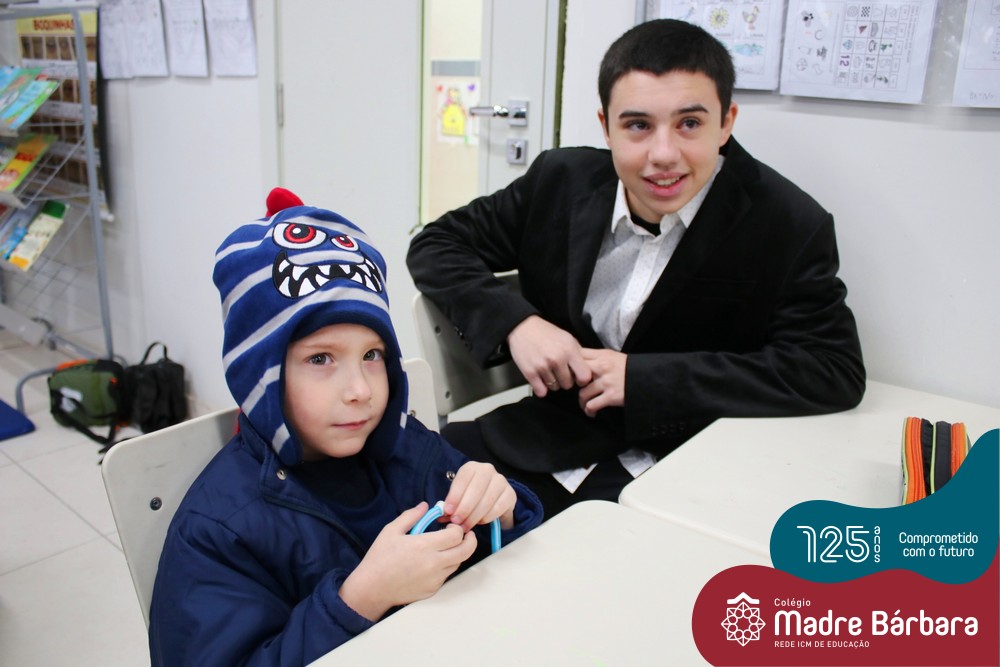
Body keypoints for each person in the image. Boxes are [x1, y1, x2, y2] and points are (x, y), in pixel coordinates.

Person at [406, 19, 866, 519]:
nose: (663, 155)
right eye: (638, 126)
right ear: (606, 127)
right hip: (541, 437)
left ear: (726, 122)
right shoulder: (560, 180)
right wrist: (518, 324)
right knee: (397, 489)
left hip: (685, 470)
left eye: (689, 124)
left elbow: (831, 368)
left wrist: (646, 380)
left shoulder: (787, 222)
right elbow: (437, 242)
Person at [148, 188, 543, 666]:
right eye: (321, 358)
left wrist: (502, 511)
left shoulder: (412, 449)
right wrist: (360, 600)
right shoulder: (219, 530)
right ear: (261, 374)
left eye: (372, 355)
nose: (359, 389)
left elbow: (493, 574)